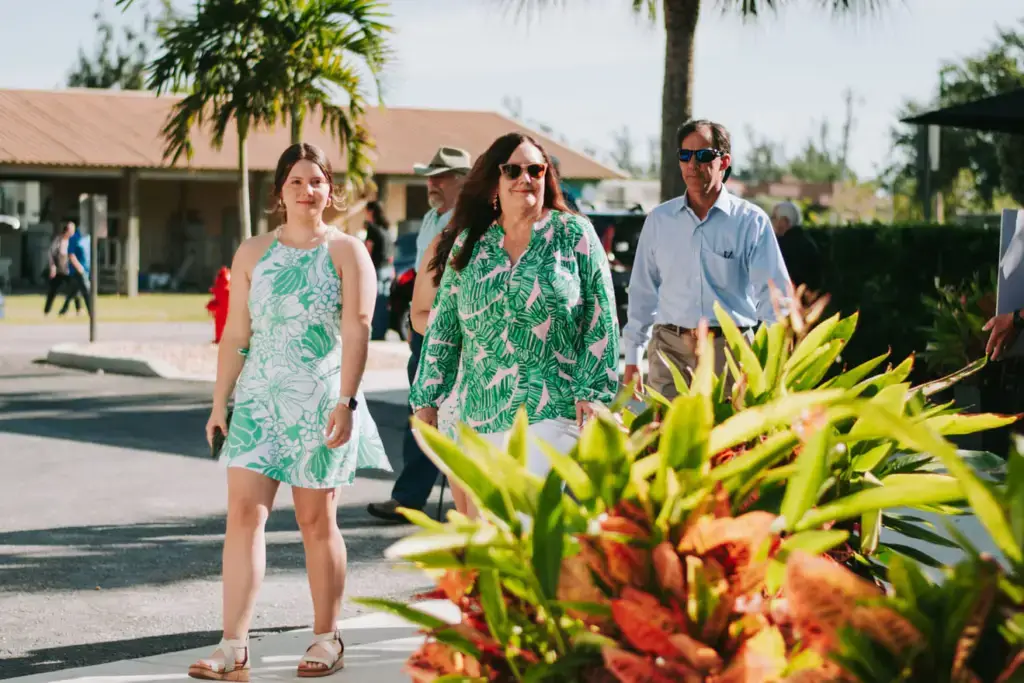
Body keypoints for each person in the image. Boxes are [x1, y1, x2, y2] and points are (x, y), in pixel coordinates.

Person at [189, 142, 392, 681]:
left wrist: (347, 401)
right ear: (280, 191)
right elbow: (237, 332)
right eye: (297, 181)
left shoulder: (348, 252)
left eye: (317, 181)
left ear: (331, 190)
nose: (308, 190)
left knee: (315, 519)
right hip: (259, 400)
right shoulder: (252, 252)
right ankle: (233, 643)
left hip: (323, 401)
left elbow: (358, 329)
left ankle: (327, 636)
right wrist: (219, 401)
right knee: (243, 516)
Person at [409, 132, 620, 479]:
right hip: (480, 409)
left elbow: (601, 318)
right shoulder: (471, 242)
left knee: (528, 517)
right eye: (513, 170)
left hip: (554, 406)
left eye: (536, 170)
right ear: (495, 180)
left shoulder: (574, 234)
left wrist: (592, 392)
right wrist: (428, 397)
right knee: (493, 527)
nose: (526, 179)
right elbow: (444, 325)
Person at [622, 119, 791, 400]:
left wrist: (773, 363)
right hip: (669, 350)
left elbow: (774, 297)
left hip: (730, 352)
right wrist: (632, 357)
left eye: (703, 155)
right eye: (685, 156)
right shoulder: (659, 221)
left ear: (724, 162)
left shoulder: (750, 221)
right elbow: (642, 294)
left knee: (728, 442)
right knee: (666, 438)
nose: (692, 164)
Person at [367, 146, 470, 523]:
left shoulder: (472, 221)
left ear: (463, 181)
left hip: (456, 334)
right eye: (430, 175)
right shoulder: (431, 218)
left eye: (440, 177)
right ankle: (410, 498)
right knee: (421, 416)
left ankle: (458, 499)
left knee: (455, 419)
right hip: (423, 332)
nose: (431, 183)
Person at [770, 200, 822, 295]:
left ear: (784, 221)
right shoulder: (807, 241)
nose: (771, 222)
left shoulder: (783, 245)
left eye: (774, 218)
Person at [363, 200, 394, 340]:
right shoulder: (387, 229)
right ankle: (382, 331)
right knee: (384, 302)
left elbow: (368, 250)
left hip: (377, 269)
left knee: (374, 301)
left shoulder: (372, 228)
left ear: (371, 212)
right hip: (388, 269)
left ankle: (376, 333)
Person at [43, 222, 77, 315]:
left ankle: (76, 309)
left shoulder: (73, 241)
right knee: (53, 290)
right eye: (72, 230)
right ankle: (47, 310)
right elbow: (51, 253)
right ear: (67, 230)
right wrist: (52, 266)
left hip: (70, 270)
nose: (73, 232)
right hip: (59, 270)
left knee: (74, 289)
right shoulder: (59, 240)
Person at [61, 221, 92, 317]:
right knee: (87, 290)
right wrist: (79, 267)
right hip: (78, 270)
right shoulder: (74, 238)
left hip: (86, 269)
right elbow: (71, 254)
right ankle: (92, 312)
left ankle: (64, 310)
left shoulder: (87, 238)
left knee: (73, 291)